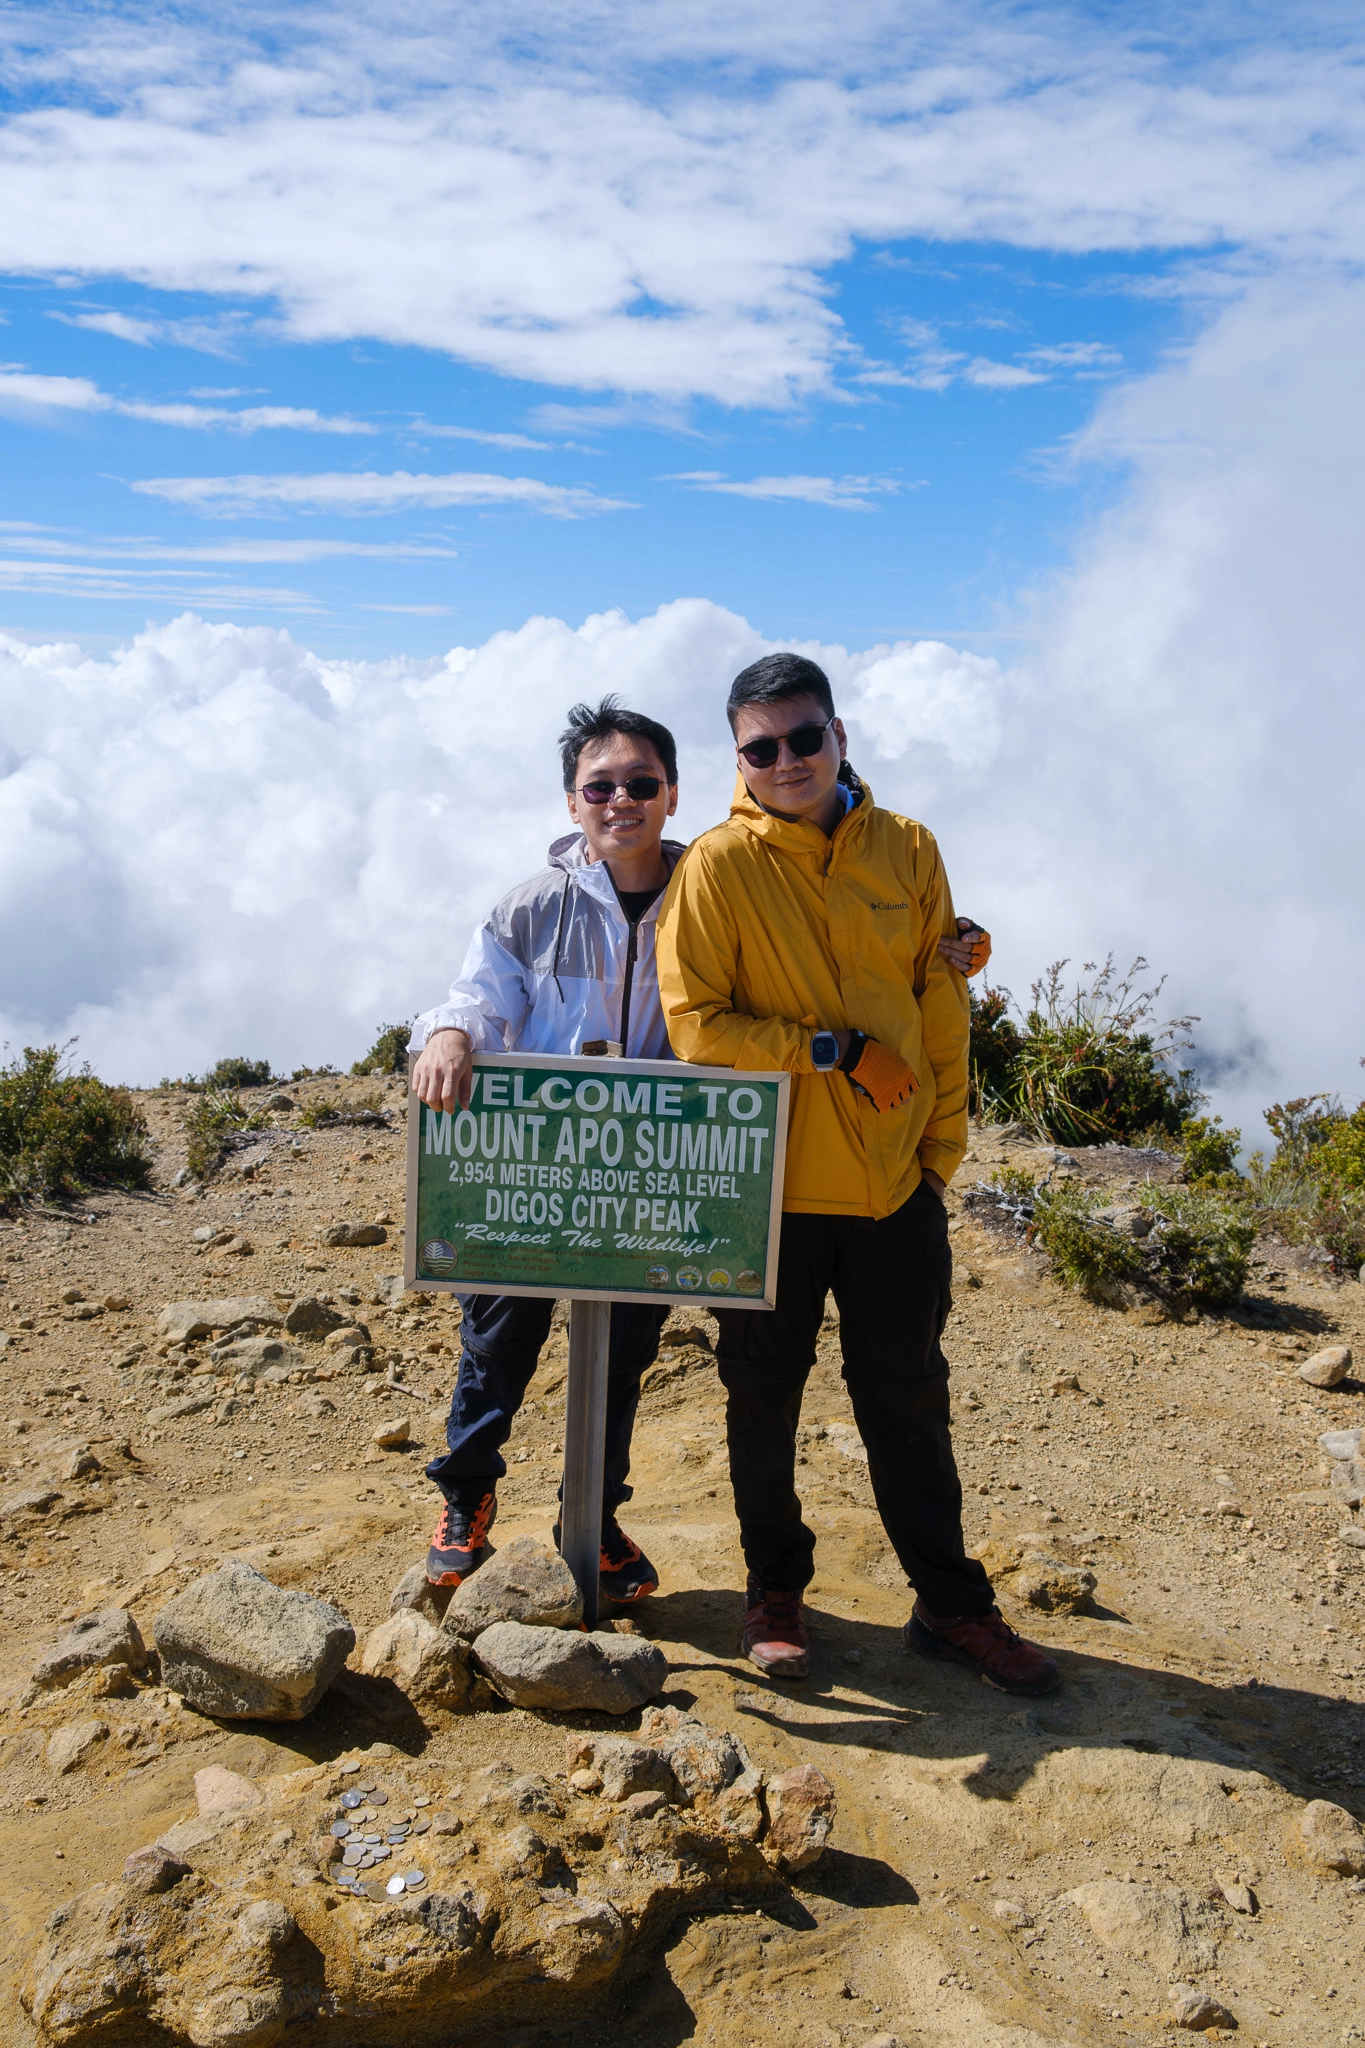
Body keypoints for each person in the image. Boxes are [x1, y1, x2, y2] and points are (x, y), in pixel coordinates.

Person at [654, 651, 1059, 1696]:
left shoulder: (908, 847)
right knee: (761, 1401)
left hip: (892, 1189)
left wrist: (939, 1151)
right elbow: (698, 1028)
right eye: (760, 747)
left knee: (909, 1400)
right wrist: (829, 1050)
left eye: (803, 737)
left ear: (841, 734)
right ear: (737, 757)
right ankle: (774, 1591)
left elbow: (939, 1003)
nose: (785, 761)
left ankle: (952, 1604)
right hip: (769, 1191)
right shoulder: (714, 868)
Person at [408, 696, 684, 1602]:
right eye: (599, 785)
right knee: (496, 1341)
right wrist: (450, 1035)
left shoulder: (712, 895)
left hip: (650, 1177)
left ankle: (592, 1517)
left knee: (621, 1359)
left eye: (640, 783)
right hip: (533, 1172)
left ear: (671, 794)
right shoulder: (529, 907)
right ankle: (466, 1500)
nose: (620, 800)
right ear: (572, 803)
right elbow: (475, 997)